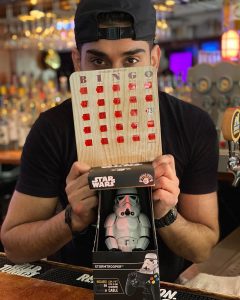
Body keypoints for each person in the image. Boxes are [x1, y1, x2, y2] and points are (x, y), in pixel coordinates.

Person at [0, 0, 219, 282]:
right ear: (78, 61)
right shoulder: (53, 127)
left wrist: (165, 213)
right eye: (98, 60)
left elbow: (202, 248)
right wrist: (71, 218)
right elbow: (14, 246)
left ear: (153, 60)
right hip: (75, 287)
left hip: (163, 286)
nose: (114, 77)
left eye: (131, 60)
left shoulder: (192, 124)